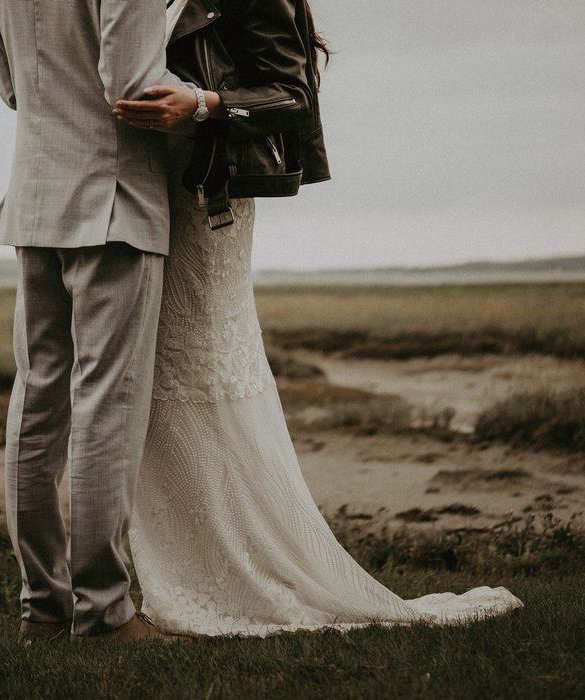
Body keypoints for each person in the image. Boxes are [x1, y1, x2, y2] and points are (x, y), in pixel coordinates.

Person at [115, 0, 524, 637]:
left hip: (203, 197)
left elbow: (293, 95)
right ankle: (174, 567)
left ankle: (231, 574)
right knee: (152, 379)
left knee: (195, 369)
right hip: (139, 190)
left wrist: (200, 105)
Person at [0, 0, 199, 644]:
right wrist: (203, 97)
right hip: (112, 198)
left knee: (38, 397)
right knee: (105, 401)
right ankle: (103, 610)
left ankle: (42, 607)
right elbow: (134, 88)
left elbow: (13, 88)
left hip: (34, 195)